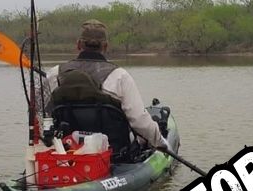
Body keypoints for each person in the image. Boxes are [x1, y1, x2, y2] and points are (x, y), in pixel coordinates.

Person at [43, 19, 165, 150]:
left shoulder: (54, 74)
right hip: (115, 153)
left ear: (78, 45)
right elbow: (140, 122)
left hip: (65, 151)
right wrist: (161, 143)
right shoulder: (120, 76)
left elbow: (41, 117)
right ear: (105, 46)